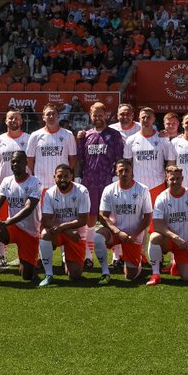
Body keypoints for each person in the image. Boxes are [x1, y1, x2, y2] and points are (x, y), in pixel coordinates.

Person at [77, 102, 125, 264]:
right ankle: (88, 256)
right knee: (89, 218)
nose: (97, 118)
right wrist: (78, 178)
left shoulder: (114, 134)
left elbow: (119, 158)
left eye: (100, 115)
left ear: (106, 114)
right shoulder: (85, 136)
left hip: (108, 182)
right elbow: (80, 159)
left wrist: (116, 177)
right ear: (91, 116)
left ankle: (117, 256)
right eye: (94, 115)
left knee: (113, 218)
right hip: (89, 182)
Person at [0, 150, 43, 284]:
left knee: (26, 276)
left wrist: (7, 222)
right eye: (13, 161)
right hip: (12, 227)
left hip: (30, 231)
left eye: (18, 161)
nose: (15, 164)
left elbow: (28, 208)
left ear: (25, 163)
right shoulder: (7, 181)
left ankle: (31, 263)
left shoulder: (35, 182)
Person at [95, 158, 152, 284]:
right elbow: (102, 216)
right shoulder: (109, 189)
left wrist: (135, 234)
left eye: (127, 170)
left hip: (133, 235)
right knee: (97, 236)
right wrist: (117, 231)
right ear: (116, 172)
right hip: (115, 232)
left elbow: (148, 216)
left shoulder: (142, 189)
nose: (124, 173)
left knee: (130, 276)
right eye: (121, 170)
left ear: (132, 172)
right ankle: (105, 272)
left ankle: (136, 261)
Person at [148, 165, 188, 284]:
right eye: (172, 179)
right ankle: (155, 274)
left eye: (178, 178)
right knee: (154, 237)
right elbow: (157, 225)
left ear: (182, 178)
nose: (175, 182)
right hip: (168, 240)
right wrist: (175, 237)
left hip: (185, 243)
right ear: (166, 179)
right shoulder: (161, 198)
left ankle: (176, 262)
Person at [37, 163, 91, 287]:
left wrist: (62, 228)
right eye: (59, 176)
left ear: (71, 176)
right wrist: (66, 231)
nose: (62, 179)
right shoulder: (49, 193)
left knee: (74, 276)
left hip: (77, 234)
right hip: (62, 233)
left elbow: (83, 220)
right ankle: (49, 275)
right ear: (54, 177)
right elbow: (46, 220)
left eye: (66, 176)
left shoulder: (82, 191)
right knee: (45, 234)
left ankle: (68, 259)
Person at [27, 103, 76, 189]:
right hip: (41, 184)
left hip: (61, 184)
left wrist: (65, 175)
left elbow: (72, 158)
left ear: (58, 116)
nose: (51, 116)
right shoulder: (35, 135)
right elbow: (29, 159)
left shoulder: (68, 134)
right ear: (43, 117)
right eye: (48, 114)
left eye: (53, 114)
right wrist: (37, 173)